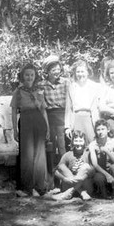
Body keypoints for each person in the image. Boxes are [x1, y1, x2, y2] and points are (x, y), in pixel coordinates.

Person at [11, 63, 50, 197]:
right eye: (27, 75)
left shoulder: (39, 90)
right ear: (22, 76)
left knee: (40, 154)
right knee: (27, 155)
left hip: (39, 121)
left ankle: (41, 187)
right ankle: (27, 188)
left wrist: (48, 128)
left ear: (35, 76)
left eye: (32, 75)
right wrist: (15, 130)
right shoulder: (18, 91)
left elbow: (43, 110)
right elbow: (13, 111)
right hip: (26, 121)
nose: (29, 77)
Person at [39, 55, 69, 186]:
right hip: (49, 117)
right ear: (48, 71)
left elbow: (70, 102)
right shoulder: (42, 84)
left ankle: (66, 180)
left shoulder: (66, 82)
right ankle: (51, 180)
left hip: (62, 116)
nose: (56, 72)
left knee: (63, 147)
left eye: (58, 69)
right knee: (50, 147)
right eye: (53, 70)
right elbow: (42, 105)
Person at [65, 60, 100, 144]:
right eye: (78, 72)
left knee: (92, 143)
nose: (80, 74)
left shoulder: (95, 86)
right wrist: (67, 127)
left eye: (82, 71)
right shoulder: (72, 86)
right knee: (78, 143)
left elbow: (97, 108)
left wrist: (98, 125)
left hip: (90, 119)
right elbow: (68, 108)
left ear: (87, 72)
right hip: (76, 118)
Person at [54, 130, 95, 201]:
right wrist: (65, 179)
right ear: (72, 142)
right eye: (76, 141)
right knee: (61, 166)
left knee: (86, 166)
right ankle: (81, 192)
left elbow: (93, 171)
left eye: (80, 141)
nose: (78, 143)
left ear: (84, 141)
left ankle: (72, 191)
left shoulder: (88, 154)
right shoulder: (67, 155)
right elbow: (55, 171)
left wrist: (81, 178)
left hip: (85, 186)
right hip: (68, 184)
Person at [89, 119, 114, 199]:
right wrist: (107, 175)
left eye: (103, 129)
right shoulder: (93, 144)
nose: (100, 132)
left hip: (113, 171)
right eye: (98, 130)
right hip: (101, 171)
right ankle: (104, 192)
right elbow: (95, 165)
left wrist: (107, 151)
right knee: (98, 177)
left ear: (108, 130)